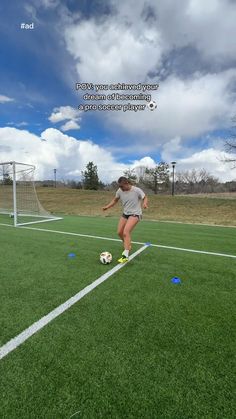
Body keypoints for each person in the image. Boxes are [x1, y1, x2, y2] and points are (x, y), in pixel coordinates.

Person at [102, 176, 148, 262]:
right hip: (125, 214)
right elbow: (115, 200)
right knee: (119, 232)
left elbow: (145, 197)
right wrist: (107, 207)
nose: (120, 188)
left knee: (126, 232)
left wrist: (144, 204)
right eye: (119, 186)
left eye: (122, 186)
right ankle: (128, 245)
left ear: (127, 183)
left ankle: (125, 254)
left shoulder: (136, 190)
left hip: (135, 214)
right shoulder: (120, 191)